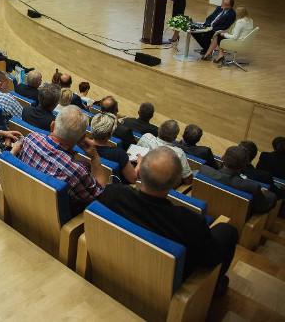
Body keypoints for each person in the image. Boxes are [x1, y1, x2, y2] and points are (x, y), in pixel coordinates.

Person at [99, 147, 238, 295]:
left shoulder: (114, 193)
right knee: (227, 231)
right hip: (162, 284)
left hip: (115, 262)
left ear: (138, 172)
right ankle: (214, 287)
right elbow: (210, 259)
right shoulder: (190, 222)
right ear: (175, 184)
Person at [17, 106, 109, 215]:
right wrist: (95, 157)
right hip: (50, 216)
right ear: (81, 138)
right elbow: (100, 194)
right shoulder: (76, 171)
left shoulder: (30, 138)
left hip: (22, 201)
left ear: (52, 126)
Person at [199, 146, 277, 215]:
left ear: (223, 158)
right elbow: (262, 207)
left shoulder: (204, 170)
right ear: (244, 166)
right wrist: (266, 193)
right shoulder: (252, 187)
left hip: (205, 210)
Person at [137, 120, 193, 186]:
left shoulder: (146, 137)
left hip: (139, 179)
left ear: (159, 130)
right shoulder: (179, 153)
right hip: (162, 188)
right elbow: (188, 180)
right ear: (175, 138)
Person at [90, 113, 137, 184]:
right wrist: (140, 162)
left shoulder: (82, 145)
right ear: (110, 134)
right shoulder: (119, 154)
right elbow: (133, 179)